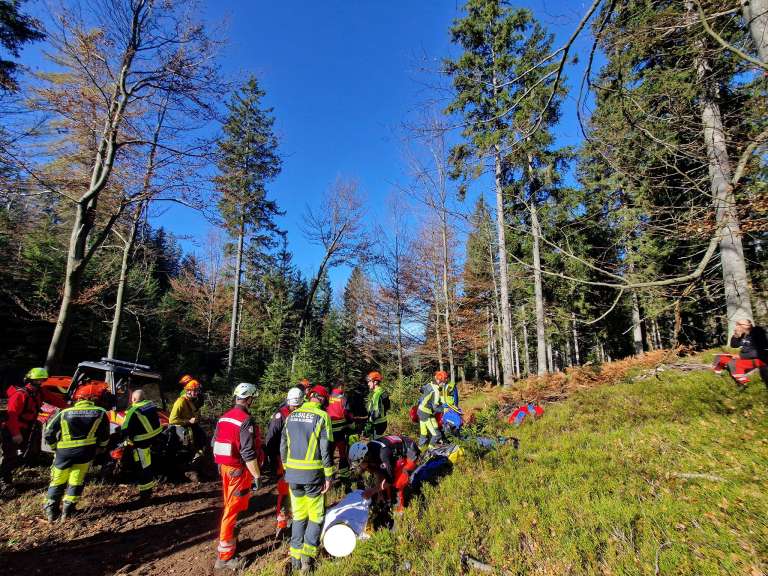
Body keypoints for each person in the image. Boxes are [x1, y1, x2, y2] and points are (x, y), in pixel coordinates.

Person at [280, 385, 333, 574]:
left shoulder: (290, 416)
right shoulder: (323, 417)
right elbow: (326, 449)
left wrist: (289, 468)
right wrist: (328, 475)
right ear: (323, 400)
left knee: (299, 516)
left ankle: (294, 557)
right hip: (314, 476)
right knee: (316, 517)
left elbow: (283, 446)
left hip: (293, 476)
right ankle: (307, 560)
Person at [212, 382, 263, 571]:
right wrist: (256, 475)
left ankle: (230, 541)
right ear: (249, 399)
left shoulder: (224, 418)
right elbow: (248, 453)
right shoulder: (245, 420)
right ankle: (224, 558)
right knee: (231, 511)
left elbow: (215, 443)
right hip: (238, 472)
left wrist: (220, 465)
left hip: (224, 468)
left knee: (229, 506)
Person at [42, 384, 110, 521]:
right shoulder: (101, 412)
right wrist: (101, 448)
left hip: (63, 453)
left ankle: (51, 511)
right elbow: (104, 435)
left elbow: (49, 431)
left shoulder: (64, 413)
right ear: (94, 399)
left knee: (57, 480)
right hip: (86, 452)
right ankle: (68, 510)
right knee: (76, 480)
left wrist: (54, 446)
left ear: (78, 398)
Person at [0, 367, 48, 498]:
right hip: (12, 430)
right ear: (29, 380)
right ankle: (3, 483)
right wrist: (16, 434)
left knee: (20, 455)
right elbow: (11, 416)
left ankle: (7, 476)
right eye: (37, 381)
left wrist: (71, 407)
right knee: (9, 456)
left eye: (42, 380)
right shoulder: (20, 395)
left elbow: (56, 399)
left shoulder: (40, 392)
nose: (40, 383)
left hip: (26, 428)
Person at [264, 386, 305, 531]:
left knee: (296, 488)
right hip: (282, 458)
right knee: (284, 489)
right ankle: (281, 521)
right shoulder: (280, 415)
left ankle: (294, 515)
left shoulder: (300, 413)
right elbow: (270, 439)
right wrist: (272, 460)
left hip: (297, 457)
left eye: (298, 405)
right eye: (294, 405)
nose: (296, 407)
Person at [349, 435, 419, 513]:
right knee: (386, 481)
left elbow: (390, 480)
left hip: (410, 451)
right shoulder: (370, 451)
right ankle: (389, 502)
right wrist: (379, 493)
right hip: (394, 454)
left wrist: (372, 491)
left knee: (398, 484)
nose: (360, 467)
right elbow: (379, 473)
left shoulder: (382, 455)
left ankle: (401, 512)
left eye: (360, 464)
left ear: (365, 457)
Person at [121, 389, 163, 503]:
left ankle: (145, 494)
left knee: (143, 467)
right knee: (146, 464)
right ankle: (146, 491)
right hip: (154, 438)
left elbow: (124, 429)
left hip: (141, 443)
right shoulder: (150, 404)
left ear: (133, 399)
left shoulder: (133, 410)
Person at [713, 319, 768, 385]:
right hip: (744, 357)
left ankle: (743, 383)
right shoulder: (744, 334)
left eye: (740, 324)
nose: (738, 326)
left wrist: (741, 356)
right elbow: (734, 345)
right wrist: (736, 335)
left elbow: (760, 352)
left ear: (748, 325)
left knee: (733, 363)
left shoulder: (759, 334)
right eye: (737, 324)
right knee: (719, 357)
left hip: (758, 359)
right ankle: (717, 376)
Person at [169, 376, 206, 456]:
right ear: (188, 391)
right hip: (184, 429)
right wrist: (188, 421)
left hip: (193, 426)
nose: (197, 393)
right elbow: (171, 420)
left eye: (197, 390)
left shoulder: (191, 400)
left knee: (203, 440)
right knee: (187, 450)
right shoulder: (180, 402)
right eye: (195, 391)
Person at [327, 384, 352, 491]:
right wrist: (352, 423)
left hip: (329, 432)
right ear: (341, 388)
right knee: (342, 455)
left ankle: (331, 478)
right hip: (341, 432)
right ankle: (345, 479)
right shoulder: (343, 398)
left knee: (329, 455)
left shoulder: (327, 397)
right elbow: (347, 413)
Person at [417, 372, 445, 451]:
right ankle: (430, 451)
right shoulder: (435, 391)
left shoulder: (429, 384)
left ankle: (419, 450)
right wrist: (445, 409)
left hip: (420, 411)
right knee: (436, 435)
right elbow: (435, 408)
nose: (444, 384)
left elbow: (421, 389)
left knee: (424, 432)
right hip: (426, 413)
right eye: (444, 382)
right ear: (439, 381)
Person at [365, 371, 389, 438]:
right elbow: (387, 407)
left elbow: (375, 413)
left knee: (375, 444)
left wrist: (369, 423)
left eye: (369, 381)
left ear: (375, 382)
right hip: (382, 422)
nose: (368, 384)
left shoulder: (377, 394)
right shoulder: (382, 391)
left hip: (377, 424)